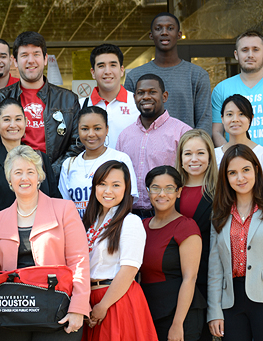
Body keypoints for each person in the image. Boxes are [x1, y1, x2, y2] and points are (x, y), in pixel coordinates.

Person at [0, 145, 91, 341]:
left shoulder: (64, 210)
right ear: (9, 180)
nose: (24, 177)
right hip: (13, 312)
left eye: (30, 171)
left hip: (58, 312)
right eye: (18, 172)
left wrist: (78, 308)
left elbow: (79, 261)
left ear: (40, 176)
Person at [74, 160, 164, 341]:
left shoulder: (130, 221)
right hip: (95, 301)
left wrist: (103, 306)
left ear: (126, 189)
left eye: (116, 185)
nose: (108, 191)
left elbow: (129, 269)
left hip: (117, 301)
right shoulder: (91, 222)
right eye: (102, 184)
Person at [141, 165, 205, 341]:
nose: (162, 194)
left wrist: (178, 324)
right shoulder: (142, 226)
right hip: (152, 313)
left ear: (178, 192)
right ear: (147, 191)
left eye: (169, 188)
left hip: (180, 314)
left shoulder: (186, 225)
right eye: (155, 188)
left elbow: (190, 278)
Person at [0, 31, 80, 176]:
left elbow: (77, 143)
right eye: (24, 55)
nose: (31, 60)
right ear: (15, 61)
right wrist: (18, 168)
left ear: (45, 59)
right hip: (13, 177)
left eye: (36, 54)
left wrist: (51, 171)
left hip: (56, 177)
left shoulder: (69, 99)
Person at [208, 144, 263, 341]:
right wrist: (214, 311)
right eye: (232, 173)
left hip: (261, 297)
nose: (240, 178)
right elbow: (215, 268)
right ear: (225, 177)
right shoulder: (219, 214)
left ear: (256, 171)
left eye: (245, 170)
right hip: (231, 302)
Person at [174, 130, 223, 341]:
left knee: (204, 340)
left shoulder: (219, 191)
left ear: (210, 156)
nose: (194, 159)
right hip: (176, 278)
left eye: (201, 153)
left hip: (208, 277)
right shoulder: (172, 190)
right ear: (180, 158)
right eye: (188, 153)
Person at [0, 98, 58, 248]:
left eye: (18, 119)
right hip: (3, 242)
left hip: (43, 242)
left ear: (25, 122)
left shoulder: (39, 158)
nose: (13, 125)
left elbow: (55, 201)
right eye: (6, 119)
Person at [116, 74, 191, 218]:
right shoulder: (124, 136)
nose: (146, 97)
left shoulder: (182, 133)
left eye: (152, 92)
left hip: (169, 214)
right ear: (134, 98)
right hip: (130, 215)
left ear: (164, 96)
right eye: (140, 93)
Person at [124, 12, 212, 133]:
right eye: (158, 28)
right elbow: (127, 118)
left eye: (170, 28)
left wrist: (195, 148)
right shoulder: (134, 76)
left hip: (185, 148)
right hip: (144, 147)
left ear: (179, 34)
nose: (164, 32)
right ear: (151, 35)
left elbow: (204, 120)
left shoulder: (197, 75)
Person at [59, 106, 138, 218]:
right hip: (78, 232)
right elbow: (65, 205)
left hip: (110, 231)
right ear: (78, 130)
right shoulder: (68, 165)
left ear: (107, 129)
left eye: (97, 128)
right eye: (85, 129)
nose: (91, 134)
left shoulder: (120, 159)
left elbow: (128, 200)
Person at [81, 44, 139, 149]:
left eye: (113, 65)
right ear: (93, 73)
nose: (107, 71)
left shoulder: (137, 103)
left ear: (122, 70)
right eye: (101, 66)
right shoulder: (80, 105)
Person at [212, 30, 263, 146]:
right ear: (236, 54)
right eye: (245, 50)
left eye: (256, 49)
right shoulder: (221, 89)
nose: (250, 55)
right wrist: (230, 157)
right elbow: (216, 131)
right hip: (235, 160)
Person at [215, 94, 263, 167]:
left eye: (241, 114)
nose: (235, 119)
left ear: (250, 119)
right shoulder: (214, 155)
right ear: (222, 119)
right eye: (229, 114)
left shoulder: (260, 153)